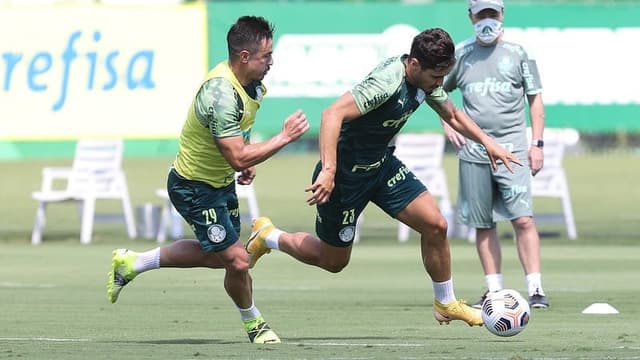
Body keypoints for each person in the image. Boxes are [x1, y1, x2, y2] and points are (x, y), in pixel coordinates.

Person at [245, 27, 522, 328]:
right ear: (414, 65)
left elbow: (452, 115)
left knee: (436, 224)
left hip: (381, 167)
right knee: (333, 261)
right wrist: (329, 171)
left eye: (443, 77)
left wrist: (489, 143)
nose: (440, 84)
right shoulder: (386, 82)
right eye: (436, 77)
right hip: (345, 177)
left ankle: (446, 302)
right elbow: (331, 115)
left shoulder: (425, 81)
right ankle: (269, 236)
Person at [106, 16, 310, 344]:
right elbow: (236, 152)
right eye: (266, 56)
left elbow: (237, 138)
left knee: (221, 258)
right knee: (238, 260)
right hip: (193, 187)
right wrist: (282, 138)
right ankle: (254, 324)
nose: (271, 62)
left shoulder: (253, 85)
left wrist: (243, 159)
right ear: (244, 56)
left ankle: (133, 262)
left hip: (219, 182)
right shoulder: (220, 94)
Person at [440, 0, 549, 309]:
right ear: (471, 16)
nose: (487, 20)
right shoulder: (461, 54)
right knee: (483, 222)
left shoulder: (519, 54)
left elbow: (535, 100)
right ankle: (495, 290)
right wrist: (447, 123)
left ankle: (536, 287)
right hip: (474, 150)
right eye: (481, 14)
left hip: (513, 148)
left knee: (523, 219)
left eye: (493, 13)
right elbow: (438, 90)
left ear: (502, 15)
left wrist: (537, 144)